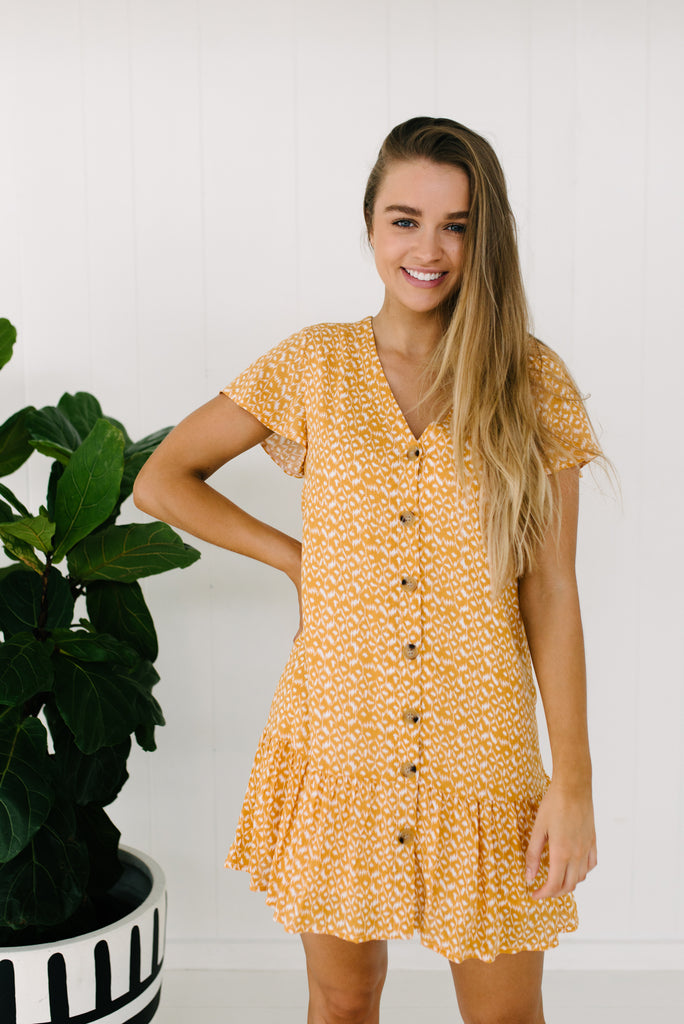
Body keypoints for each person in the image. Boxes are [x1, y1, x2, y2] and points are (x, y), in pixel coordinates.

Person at [134, 116, 606, 1024]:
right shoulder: (314, 363)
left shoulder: (531, 379)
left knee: (505, 1015)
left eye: (456, 225)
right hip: (339, 736)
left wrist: (573, 781)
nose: (429, 250)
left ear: (485, 236)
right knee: (344, 1001)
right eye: (405, 221)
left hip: (485, 749)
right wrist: (295, 561)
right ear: (369, 225)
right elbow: (163, 479)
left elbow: (551, 589)